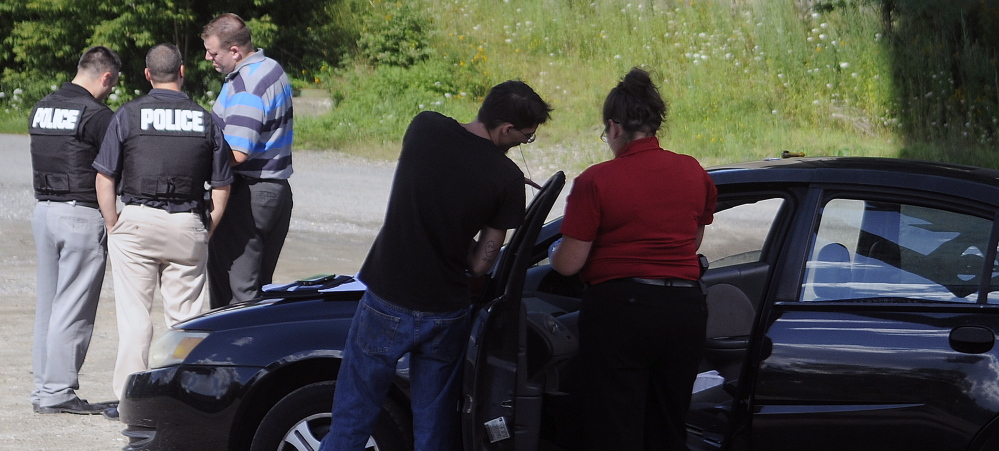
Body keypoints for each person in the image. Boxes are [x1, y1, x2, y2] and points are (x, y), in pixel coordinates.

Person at [319, 80, 552, 451]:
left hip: (387, 299)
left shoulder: (424, 125)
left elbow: (436, 183)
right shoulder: (508, 180)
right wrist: (503, 188)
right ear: (506, 130)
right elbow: (480, 265)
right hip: (446, 312)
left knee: (352, 418)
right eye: (526, 138)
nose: (523, 144)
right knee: (433, 430)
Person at [550, 67, 717, 451]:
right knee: (669, 423)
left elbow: (568, 264)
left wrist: (553, 251)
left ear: (613, 127)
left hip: (621, 313)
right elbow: (690, 243)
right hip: (686, 311)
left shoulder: (597, 180)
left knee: (615, 426)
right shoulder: (693, 171)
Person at [93, 43, 233, 419]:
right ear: (183, 72)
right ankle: (179, 400)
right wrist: (207, 228)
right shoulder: (205, 120)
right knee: (185, 319)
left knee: (135, 317)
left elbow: (105, 176)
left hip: (136, 220)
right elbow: (222, 185)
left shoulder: (127, 115)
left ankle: (129, 401)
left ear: (147, 75)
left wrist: (113, 223)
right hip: (187, 222)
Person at [28, 46, 121, 415]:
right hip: (80, 215)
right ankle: (57, 393)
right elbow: (116, 167)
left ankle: (43, 389)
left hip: (43, 211)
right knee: (74, 308)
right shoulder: (97, 115)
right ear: (106, 77)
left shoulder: (42, 107)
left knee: (48, 307)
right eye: (112, 85)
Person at [201, 13, 295, 308]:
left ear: (234, 51)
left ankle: (235, 353)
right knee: (257, 290)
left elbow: (238, 152)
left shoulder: (246, 85)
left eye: (213, 52)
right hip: (274, 192)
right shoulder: (271, 68)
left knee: (236, 295)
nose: (207, 58)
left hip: (248, 195)